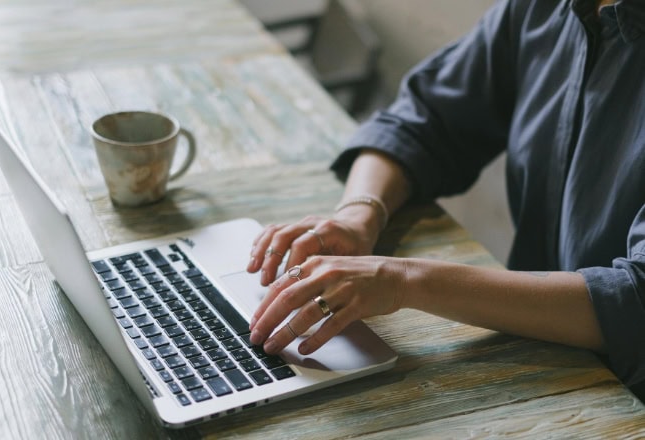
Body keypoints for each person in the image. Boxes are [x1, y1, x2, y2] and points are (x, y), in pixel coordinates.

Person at [246, 0, 645, 400]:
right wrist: (359, 213)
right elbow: (423, 120)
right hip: (538, 358)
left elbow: (634, 302)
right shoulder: (542, 9)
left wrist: (402, 280)